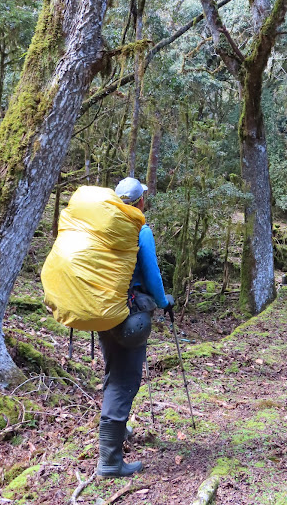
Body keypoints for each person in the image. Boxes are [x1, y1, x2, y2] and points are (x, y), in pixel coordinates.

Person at [96, 177, 174, 478]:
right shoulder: (139, 230)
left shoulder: (101, 229)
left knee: (114, 371)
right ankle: (110, 461)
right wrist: (163, 300)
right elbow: (153, 277)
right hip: (129, 315)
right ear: (141, 201)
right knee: (125, 379)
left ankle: (120, 429)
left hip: (103, 310)